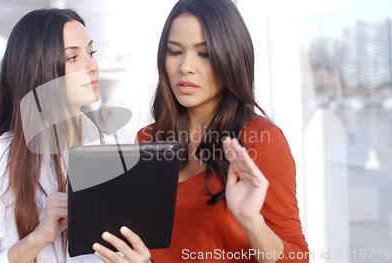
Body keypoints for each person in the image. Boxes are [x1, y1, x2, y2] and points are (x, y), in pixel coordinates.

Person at [92, 0, 309, 262]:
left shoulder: (261, 140)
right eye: (174, 52)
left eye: (203, 54)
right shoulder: (148, 139)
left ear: (231, 57)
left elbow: (298, 256)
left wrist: (252, 222)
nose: (185, 67)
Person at [0, 8, 110, 263]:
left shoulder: (100, 147)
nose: (92, 66)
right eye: (73, 58)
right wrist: (38, 238)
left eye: (91, 53)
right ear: (39, 69)